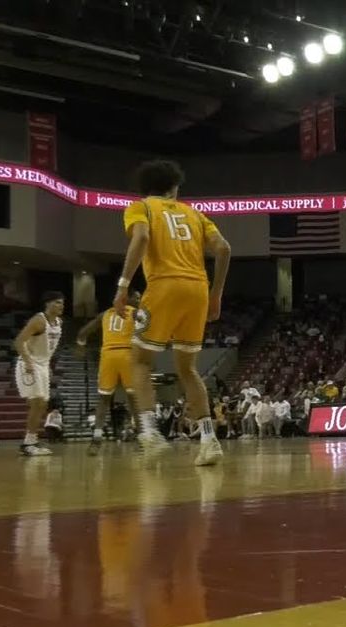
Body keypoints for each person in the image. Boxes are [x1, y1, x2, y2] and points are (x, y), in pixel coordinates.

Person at [113, 159, 232, 466]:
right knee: (187, 369)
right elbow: (223, 249)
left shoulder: (141, 207)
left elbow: (141, 238)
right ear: (174, 187)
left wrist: (123, 285)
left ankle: (150, 433)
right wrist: (216, 294)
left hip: (164, 287)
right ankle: (209, 440)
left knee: (139, 360)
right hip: (198, 290)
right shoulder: (195, 214)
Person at [75, 290, 142, 445]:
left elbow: (83, 332)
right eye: (136, 298)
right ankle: (141, 434)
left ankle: (97, 434)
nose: (139, 300)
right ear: (128, 299)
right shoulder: (134, 312)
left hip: (107, 356)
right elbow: (149, 325)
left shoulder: (104, 314)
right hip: (126, 353)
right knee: (133, 398)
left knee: (104, 398)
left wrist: (81, 345)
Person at [13, 291, 65, 456]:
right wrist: (28, 361)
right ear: (47, 303)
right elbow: (19, 341)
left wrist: (47, 364)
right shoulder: (38, 321)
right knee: (37, 402)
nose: (61, 305)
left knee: (42, 404)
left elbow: (48, 347)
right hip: (29, 363)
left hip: (42, 365)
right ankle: (29, 443)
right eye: (57, 302)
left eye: (62, 303)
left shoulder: (59, 322)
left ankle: (32, 440)